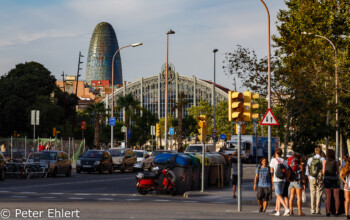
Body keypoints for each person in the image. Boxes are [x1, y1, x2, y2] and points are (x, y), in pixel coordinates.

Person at [269, 148, 290, 216]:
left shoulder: (273, 160)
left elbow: (271, 171)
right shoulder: (284, 161)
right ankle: (278, 211)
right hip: (283, 179)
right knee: (279, 195)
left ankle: (286, 208)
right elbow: (287, 170)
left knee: (278, 194)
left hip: (276, 179)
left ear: (275, 153)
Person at [306, 147, 325, 215]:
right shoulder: (323, 159)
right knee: (319, 193)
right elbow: (324, 170)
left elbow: (307, 169)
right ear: (320, 152)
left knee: (312, 193)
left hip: (312, 177)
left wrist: (309, 178)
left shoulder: (310, 159)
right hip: (320, 178)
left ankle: (312, 210)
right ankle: (318, 210)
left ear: (315, 152)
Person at [323, 149, 340, 216]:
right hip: (335, 179)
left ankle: (328, 212)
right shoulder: (336, 162)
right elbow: (338, 172)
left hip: (327, 179)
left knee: (328, 197)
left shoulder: (324, 161)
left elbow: (323, 172)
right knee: (336, 197)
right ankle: (336, 212)